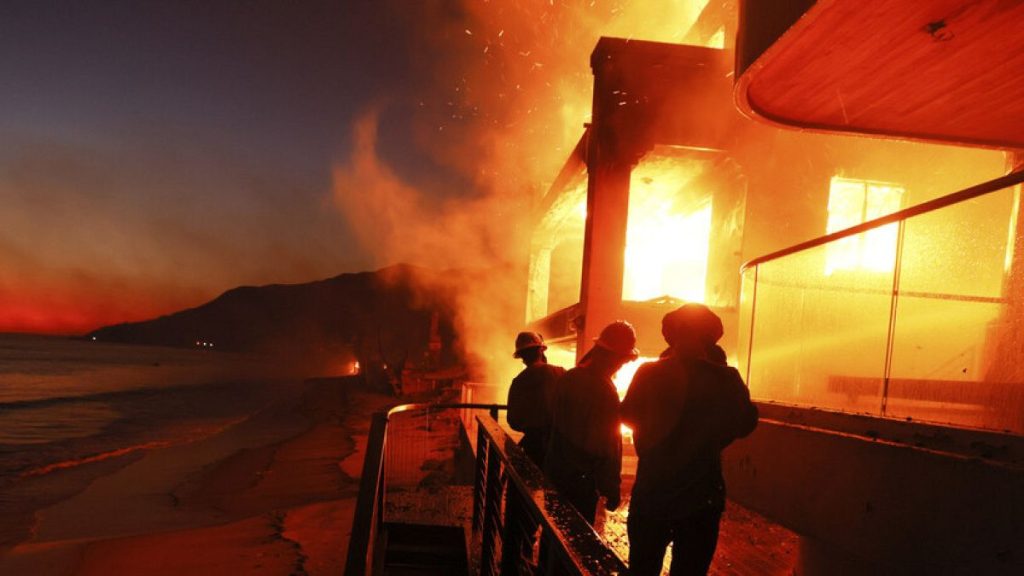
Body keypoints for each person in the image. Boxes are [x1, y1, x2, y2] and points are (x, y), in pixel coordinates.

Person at [621, 304, 758, 576]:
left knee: (642, 569)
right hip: (701, 498)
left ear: (671, 335)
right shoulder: (726, 378)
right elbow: (745, 423)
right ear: (711, 337)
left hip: (652, 494)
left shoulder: (648, 372)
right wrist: (711, 438)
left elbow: (626, 414)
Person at [545, 320, 638, 524]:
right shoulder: (604, 389)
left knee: (553, 533)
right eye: (622, 361)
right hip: (582, 482)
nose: (621, 366)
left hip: (556, 473)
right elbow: (608, 445)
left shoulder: (569, 378)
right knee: (575, 541)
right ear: (613, 357)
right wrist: (611, 487)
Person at [506, 331, 565, 466]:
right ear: (540, 351)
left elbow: (513, 420)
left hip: (533, 447)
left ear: (521, 356)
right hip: (559, 444)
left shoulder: (518, 382)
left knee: (531, 483)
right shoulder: (560, 373)